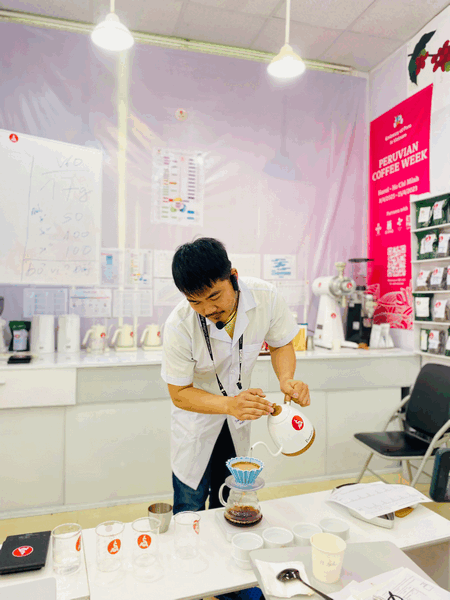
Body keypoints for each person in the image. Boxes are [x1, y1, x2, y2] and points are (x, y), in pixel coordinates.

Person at [161, 237, 311, 515]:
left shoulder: (266, 297)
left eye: (214, 296)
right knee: (189, 506)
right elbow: (179, 394)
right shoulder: (179, 325)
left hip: (237, 421)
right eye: (195, 301)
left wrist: (286, 379)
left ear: (233, 277)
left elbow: (280, 343)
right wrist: (230, 404)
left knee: (229, 500)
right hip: (196, 421)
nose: (207, 310)